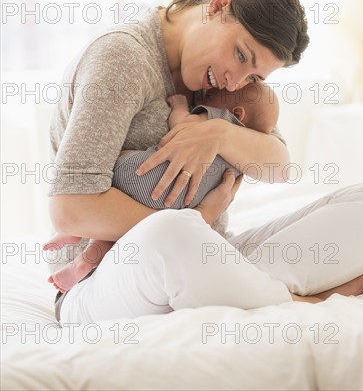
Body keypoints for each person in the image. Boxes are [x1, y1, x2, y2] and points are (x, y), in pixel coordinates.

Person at [47, 0, 363, 324]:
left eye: (254, 78)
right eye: (241, 55)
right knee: (171, 234)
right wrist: (201, 220)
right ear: (218, 7)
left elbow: (278, 165)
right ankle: (303, 301)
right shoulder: (124, 59)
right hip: (107, 279)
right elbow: (71, 209)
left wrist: (220, 134)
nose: (236, 80)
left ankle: (241, 289)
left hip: (212, 256)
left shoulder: (222, 86)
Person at [44, 81, 279, 293]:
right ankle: (87, 258)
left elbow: (181, 124)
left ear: (237, 113)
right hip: (179, 204)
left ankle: (77, 230)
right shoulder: (244, 158)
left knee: (113, 172)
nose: (209, 94)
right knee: (120, 231)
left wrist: (179, 104)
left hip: (148, 177)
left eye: (216, 95)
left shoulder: (218, 121)